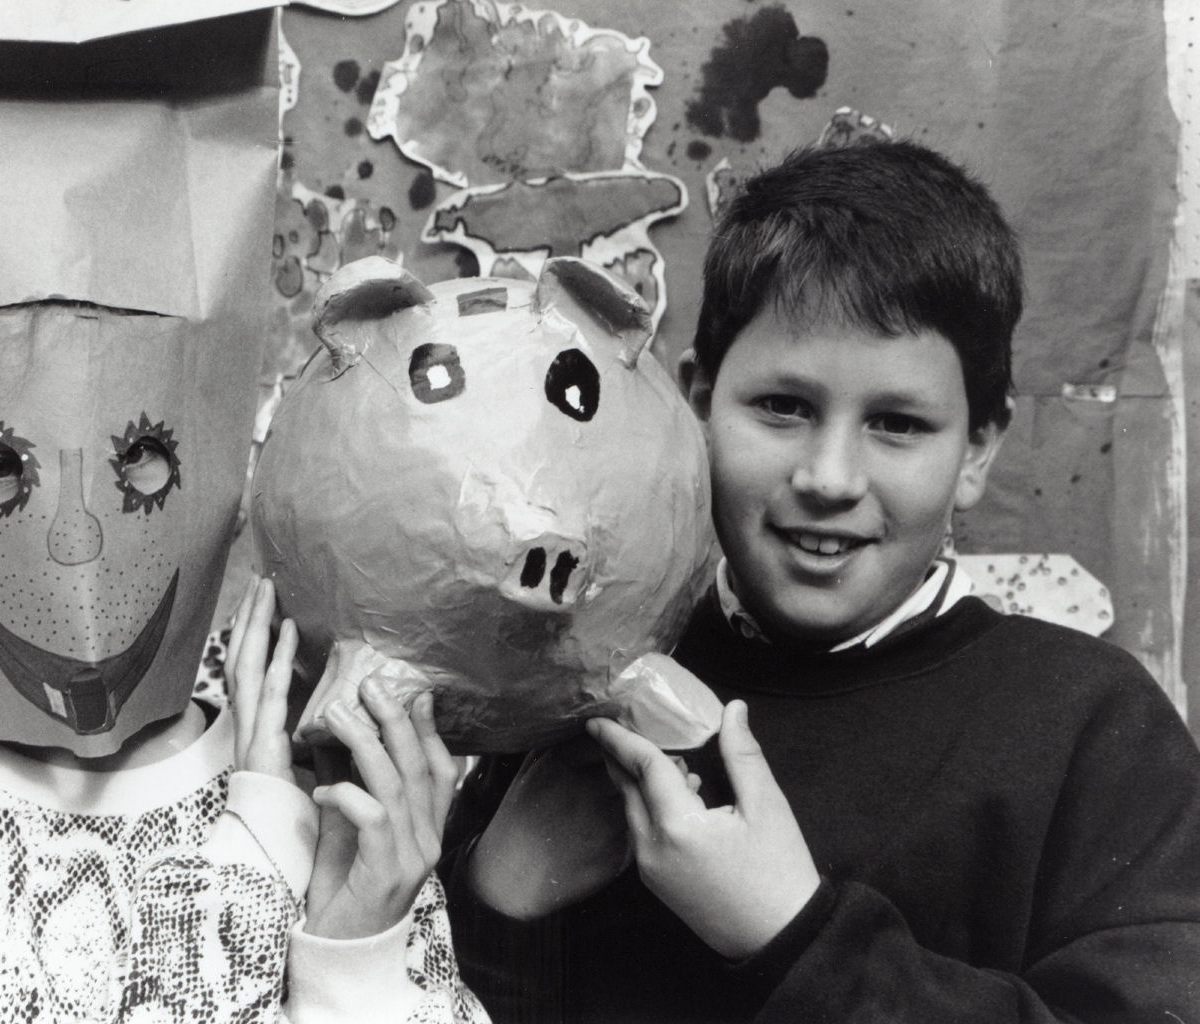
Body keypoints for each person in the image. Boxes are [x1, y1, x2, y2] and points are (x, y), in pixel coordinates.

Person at [441, 138, 1200, 1022]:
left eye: (899, 424)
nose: (831, 477)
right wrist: (496, 900)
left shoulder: (1091, 723)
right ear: (696, 405)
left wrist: (792, 936)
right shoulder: (578, 676)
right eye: (784, 408)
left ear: (978, 451)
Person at [0, 575, 486, 1023]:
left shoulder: (352, 815)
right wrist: (249, 871)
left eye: (143, 456)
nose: (73, 534)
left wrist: (354, 958)